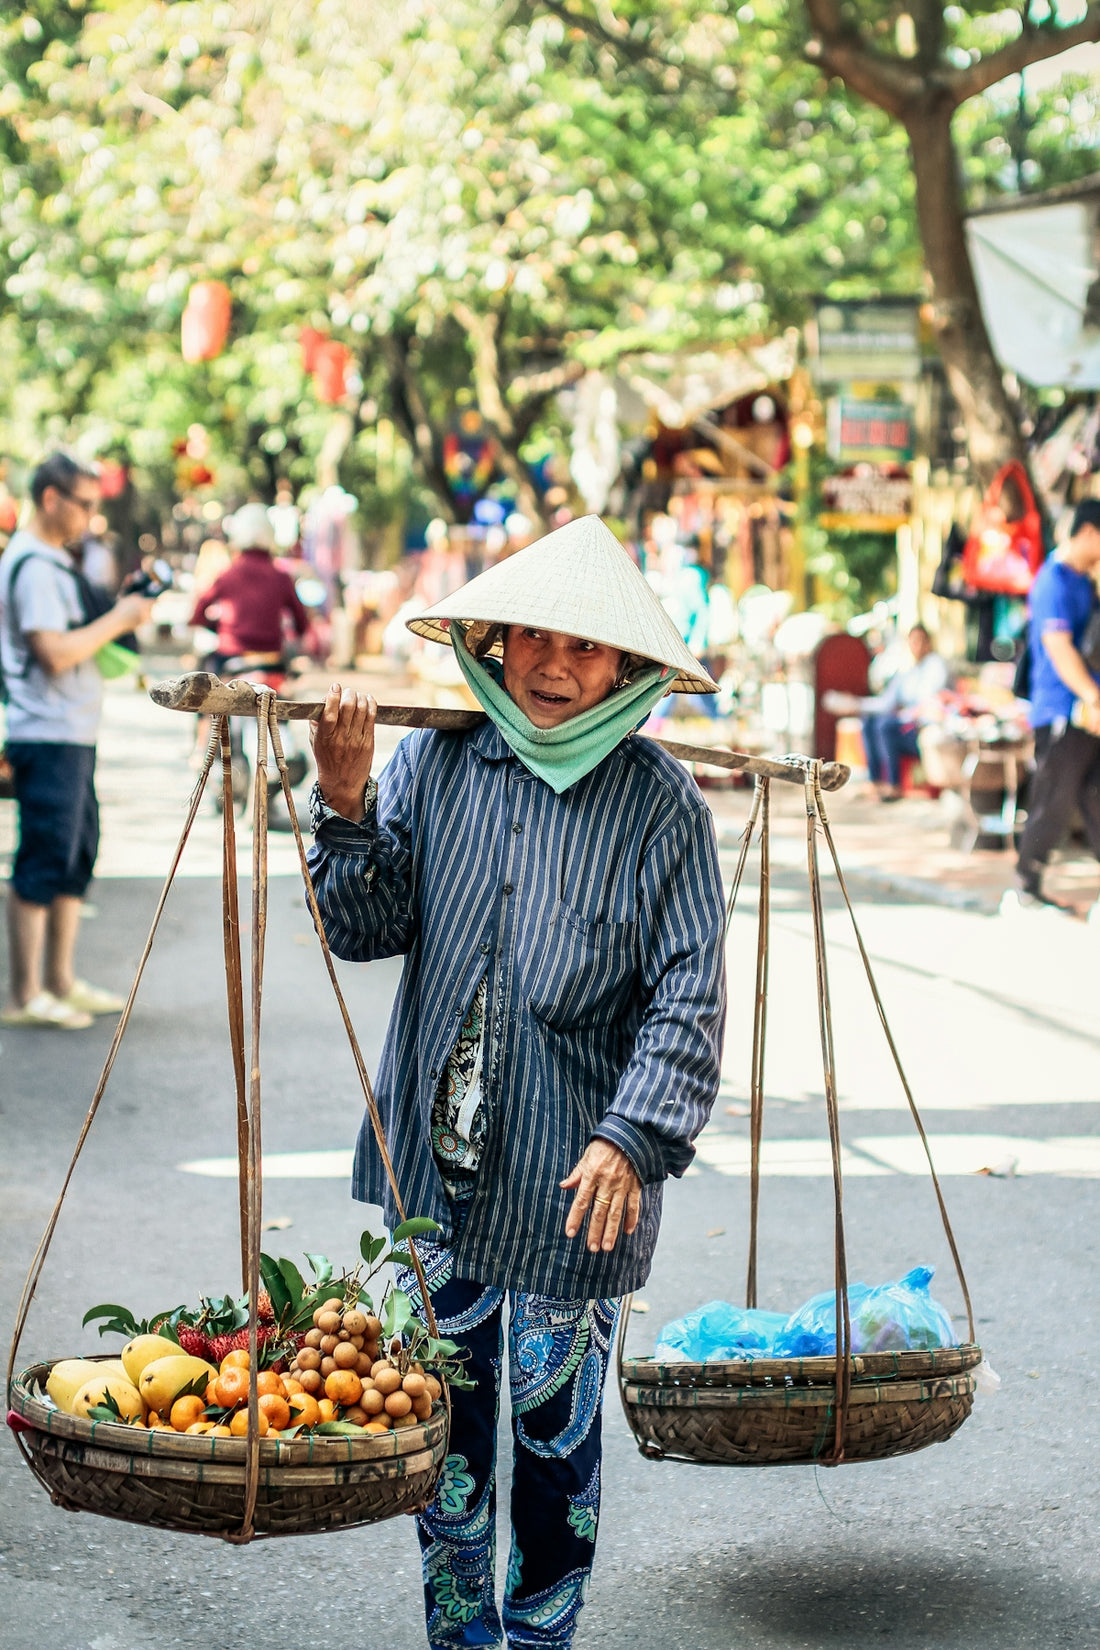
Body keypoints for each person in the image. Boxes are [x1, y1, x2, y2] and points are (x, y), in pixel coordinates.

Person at [307, 515, 727, 1650]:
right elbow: (365, 928)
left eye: (585, 647)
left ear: (625, 668)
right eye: (534, 636)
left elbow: (689, 997)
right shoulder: (436, 762)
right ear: (493, 642)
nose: (553, 665)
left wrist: (631, 1136)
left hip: (573, 1182)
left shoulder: (659, 806)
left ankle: (541, 1639)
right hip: (433, 1177)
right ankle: (461, 1640)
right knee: (441, 1446)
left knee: (554, 1451)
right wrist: (346, 806)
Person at [0, 453, 155, 1029]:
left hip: (70, 733)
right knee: (43, 858)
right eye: (84, 504)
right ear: (50, 498)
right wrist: (122, 619)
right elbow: (54, 653)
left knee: (75, 855)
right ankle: (26, 994)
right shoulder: (34, 567)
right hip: (47, 734)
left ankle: (59, 981)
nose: (92, 516)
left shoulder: (51, 562)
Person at [1014, 498, 1100, 909]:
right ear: (1088, 533)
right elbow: (1059, 648)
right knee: (1053, 800)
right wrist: (1093, 697)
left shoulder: (1083, 581)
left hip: (1088, 712)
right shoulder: (1051, 582)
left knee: (1095, 797)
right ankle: (1025, 889)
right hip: (1063, 712)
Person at [826, 624, 949, 800]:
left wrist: (903, 713)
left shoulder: (936, 665)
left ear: (929, 642)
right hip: (906, 723)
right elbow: (886, 703)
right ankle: (875, 781)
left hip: (922, 726)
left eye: (921, 641)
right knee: (869, 721)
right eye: (913, 641)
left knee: (885, 726)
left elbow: (927, 702)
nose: (917, 646)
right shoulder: (908, 671)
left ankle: (894, 785)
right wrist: (856, 704)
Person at [188, 501, 310, 669]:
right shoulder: (282, 578)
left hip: (231, 655)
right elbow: (301, 622)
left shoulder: (228, 575)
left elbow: (198, 613)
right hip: (272, 659)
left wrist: (216, 627)